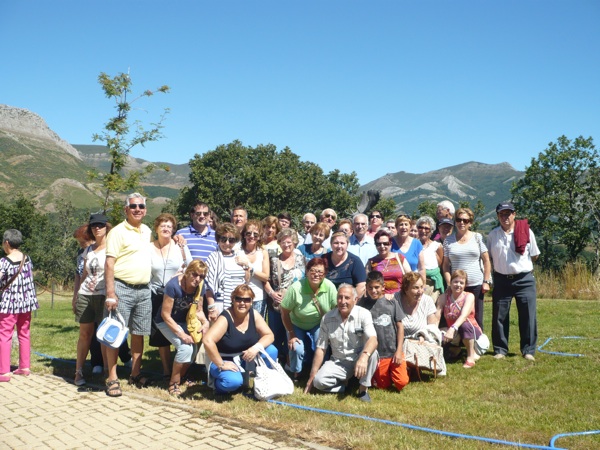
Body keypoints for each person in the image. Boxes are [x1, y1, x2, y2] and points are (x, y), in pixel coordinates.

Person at [104, 193, 153, 397]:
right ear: (126, 209)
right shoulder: (116, 232)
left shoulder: (147, 231)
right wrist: (110, 292)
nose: (137, 209)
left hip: (143, 289)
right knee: (115, 333)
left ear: (145, 209)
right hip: (121, 287)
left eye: (141, 206)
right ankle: (112, 377)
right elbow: (109, 263)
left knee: (139, 333)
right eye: (133, 206)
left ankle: (135, 373)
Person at [305, 284, 378, 403]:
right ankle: (345, 387)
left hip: (358, 359)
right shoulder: (327, 318)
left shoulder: (364, 314)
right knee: (318, 382)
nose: (342, 301)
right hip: (338, 362)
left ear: (355, 300)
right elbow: (321, 348)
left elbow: (373, 339)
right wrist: (311, 377)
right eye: (340, 297)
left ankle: (362, 390)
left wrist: (364, 356)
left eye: (347, 298)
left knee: (372, 354)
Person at [487, 202, 540, 361]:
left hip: (524, 279)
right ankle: (500, 350)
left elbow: (534, 255)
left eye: (508, 213)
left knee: (528, 315)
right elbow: (488, 257)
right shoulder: (492, 235)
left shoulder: (526, 231)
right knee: (499, 316)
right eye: (502, 214)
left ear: (514, 214)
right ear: (498, 216)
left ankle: (528, 350)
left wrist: (521, 266)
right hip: (502, 280)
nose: (505, 217)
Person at [203, 284, 277, 395]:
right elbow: (208, 341)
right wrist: (221, 364)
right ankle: (217, 385)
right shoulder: (225, 318)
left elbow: (269, 335)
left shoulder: (254, 315)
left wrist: (256, 347)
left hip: (245, 357)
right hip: (225, 358)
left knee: (271, 350)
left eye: (247, 300)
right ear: (232, 300)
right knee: (233, 382)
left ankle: (262, 383)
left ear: (252, 301)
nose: (242, 303)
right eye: (238, 299)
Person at [156, 260, 209, 396]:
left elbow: (199, 310)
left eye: (201, 276)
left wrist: (205, 323)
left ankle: (180, 377)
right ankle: (173, 383)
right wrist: (181, 334)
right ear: (187, 272)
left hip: (185, 320)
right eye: (195, 274)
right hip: (165, 321)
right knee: (185, 347)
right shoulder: (173, 286)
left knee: (194, 348)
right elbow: (165, 314)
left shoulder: (200, 286)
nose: (197, 279)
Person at [150, 213, 192, 379]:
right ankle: (167, 370)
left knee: (178, 329)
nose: (166, 228)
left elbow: (190, 266)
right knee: (160, 336)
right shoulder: (149, 247)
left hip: (176, 295)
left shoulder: (180, 246)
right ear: (156, 229)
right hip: (155, 294)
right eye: (163, 226)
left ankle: (181, 369)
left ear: (173, 230)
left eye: (169, 226)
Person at [280, 258, 337, 381]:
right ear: (306, 271)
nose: (316, 274)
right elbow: (284, 312)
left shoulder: (330, 287)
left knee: (321, 345)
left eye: (320, 272)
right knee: (296, 347)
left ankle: (320, 371)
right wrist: (291, 333)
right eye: (312, 271)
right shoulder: (296, 288)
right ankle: (296, 372)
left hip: (318, 323)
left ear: (325, 274)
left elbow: (336, 310)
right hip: (296, 323)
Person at [72, 214, 112, 386]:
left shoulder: (112, 249)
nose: (97, 228)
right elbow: (84, 274)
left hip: (104, 296)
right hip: (86, 295)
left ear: (106, 227)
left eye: (100, 225)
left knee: (104, 335)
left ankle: (107, 371)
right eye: (94, 225)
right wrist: (76, 296)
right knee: (85, 334)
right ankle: (79, 371)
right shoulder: (88, 250)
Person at [358, 271, 408, 391]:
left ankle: (403, 369)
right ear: (366, 288)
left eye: (377, 287)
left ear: (383, 287)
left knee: (401, 383)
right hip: (379, 353)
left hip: (393, 350)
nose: (373, 291)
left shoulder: (391, 302)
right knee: (382, 385)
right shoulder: (363, 304)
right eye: (370, 288)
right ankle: (383, 373)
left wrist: (399, 350)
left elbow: (400, 326)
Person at [442, 208, 491, 330]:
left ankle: (477, 344)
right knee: (455, 314)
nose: (462, 223)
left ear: (470, 223)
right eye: (459, 220)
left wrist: (486, 281)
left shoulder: (477, 237)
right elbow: (446, 265)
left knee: (476, 315)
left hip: (476, 284)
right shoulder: (448, 240)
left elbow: (486, 260)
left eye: (465, 220)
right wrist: (449, 283)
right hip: (457, 285)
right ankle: (457, 343)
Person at [0, 229, 39, 382]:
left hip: (9, 303)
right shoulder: (27, 259)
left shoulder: (4, 262)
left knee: (4, 334)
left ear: (7, 243)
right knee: (24, 333)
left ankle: (3, 371)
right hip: (26, 302)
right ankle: (24, 367)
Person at [264, 229, 306, 363]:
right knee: (276, 335)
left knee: (292, 334)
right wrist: (272, 293)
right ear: (279, 243)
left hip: (295, 306)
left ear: (294, 242)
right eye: (283, 242)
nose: (286, 245)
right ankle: (274, 361)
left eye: (289, 242)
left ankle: (291, 363)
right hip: (276, 304)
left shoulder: (302, 260)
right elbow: (265, 280)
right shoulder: (273, 260)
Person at [436, 270, 483, 368]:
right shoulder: (443, 297)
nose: (458, 285)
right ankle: (456, 349)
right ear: (450, 282)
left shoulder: (469, 296)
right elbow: (437, 316)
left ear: (465, 285)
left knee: (464, 325)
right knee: (438, 334)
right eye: (455, 282)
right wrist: (433, 330)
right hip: (453, 332)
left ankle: (471, 356)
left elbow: (464, 316)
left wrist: (452, 329)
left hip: (471, 331)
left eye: (461, 283)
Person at [205, 223, 250, 320]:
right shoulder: (213, 258)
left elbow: (246, 281)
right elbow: (208, 287)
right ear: (218, 240)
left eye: (231, 240)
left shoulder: (239, 256)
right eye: (223, 239)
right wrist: (212, 308)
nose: (227, 243)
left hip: (239, 303)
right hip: (220, 304)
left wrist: (246, 267)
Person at [236, 220, 270, 317]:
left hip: (258, 297)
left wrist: (250, 268)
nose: (252, 236)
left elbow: (265, 277)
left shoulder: (263, 252)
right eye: (248, 233)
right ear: (244, 235)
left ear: (259, 237)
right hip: (240, 296)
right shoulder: (237, 250)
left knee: (256, 328)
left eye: (255, 234)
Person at [367, 230, 411, 298]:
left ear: (390, 244)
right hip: (379, 300)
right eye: (379, 244)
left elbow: (410, 278)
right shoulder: (371, 262)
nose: (382, 246)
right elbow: (367, 282)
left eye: (385, 243)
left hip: (399, 298)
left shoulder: (400, 258)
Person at [323, 231, 367, 298]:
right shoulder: (323, 259)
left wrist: (351, 301)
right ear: (331, 244)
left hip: (347, 303)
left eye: (342, 243)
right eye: (336, 243)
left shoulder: (355, 261)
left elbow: (361, 286)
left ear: (347, 244)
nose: (339, 246)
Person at [395, 272, 438, 339]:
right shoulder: (395, 300)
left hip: (421, 342)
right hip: (398, 343)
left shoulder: (427, 301)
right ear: (406, 289)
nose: (420, 291)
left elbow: (432, 326)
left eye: (421, 287)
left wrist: (424, 335)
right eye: (416, 288)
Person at [416, 216, 444, 301]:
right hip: (417, 283)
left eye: (426, 228)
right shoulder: (412, 245)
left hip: (432, 285)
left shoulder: (437, 246)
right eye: (420, 227)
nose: (423, 231)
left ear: (431, 231)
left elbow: (440, 265)